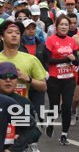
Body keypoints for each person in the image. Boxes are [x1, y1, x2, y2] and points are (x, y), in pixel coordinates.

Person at [43, 14, 79, 145]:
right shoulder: (50, 40)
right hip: (54, 78)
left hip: (69, 78)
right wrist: (66, 59)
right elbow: (48, 60)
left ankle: (64, 134)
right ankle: (51, 123)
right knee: (54, 106)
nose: (64, 27)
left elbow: (75, 61)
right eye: (61, 24)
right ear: (56, 27)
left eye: (66, 24)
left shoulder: (72, 41)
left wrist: (74, 61)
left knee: (67, 106)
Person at [0, 20, 47, 100]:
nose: (14, 35)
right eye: (10, 32)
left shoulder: (31, 59)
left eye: (17, 33)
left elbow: (43, 87)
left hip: (22, 107)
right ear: (2, 37)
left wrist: (28, 79)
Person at [0, 62, 41, 152]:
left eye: (12, 76)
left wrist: (20, 138)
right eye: (3, 76)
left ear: (17, 79)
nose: (8, 80)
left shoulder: (24, 102)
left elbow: (36, 131)